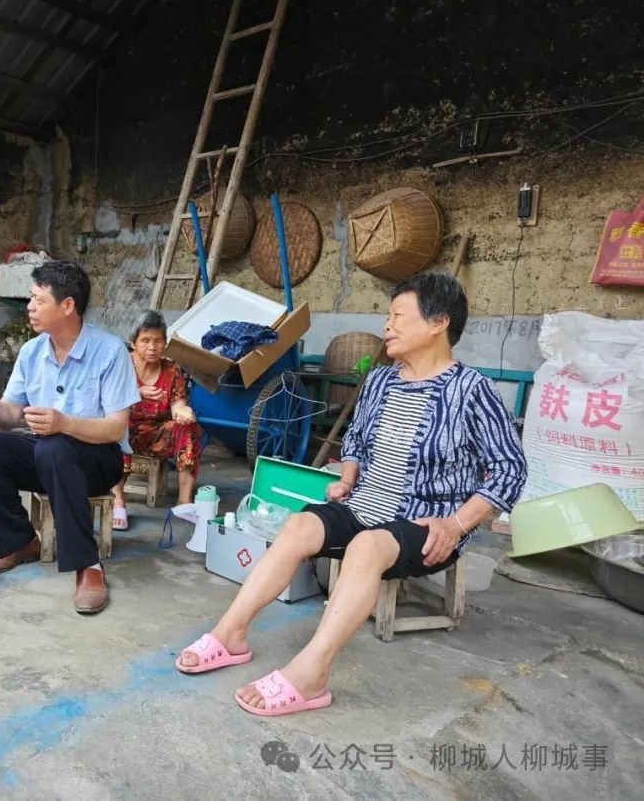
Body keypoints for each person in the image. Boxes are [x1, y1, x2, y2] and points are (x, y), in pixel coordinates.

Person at [175, 270, 527, 716]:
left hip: (426, 522)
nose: (388, 326)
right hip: (365, 505)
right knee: (301, 524)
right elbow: (357, 439)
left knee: (365, 546)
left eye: (399, 315)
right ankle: (231, 634)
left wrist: (456, 524)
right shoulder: (381, 381)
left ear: (439, 323)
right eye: (388, 316)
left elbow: (511, 470)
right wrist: (347, 476)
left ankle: (312, 673)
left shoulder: (472, 391)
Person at [0, 260, 140, 614]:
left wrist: (64, 424)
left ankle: (88, 567)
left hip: (99, 459)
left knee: (55, 446)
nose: (29, 307)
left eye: (38, 300)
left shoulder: (110, 350)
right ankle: (19, 542)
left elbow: (117, 427)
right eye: (31, 299)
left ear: (67, 305)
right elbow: (8, 419)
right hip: (47, 453)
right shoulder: (31, 352)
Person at [110, 310, 202, 530]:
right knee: (116, 430)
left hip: (156, 433)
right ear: (133, 343)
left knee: (190, 429)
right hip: (125, 429)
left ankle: (184, 502)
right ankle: (118, 501)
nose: (152, 347)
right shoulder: (120, 365)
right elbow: (108, 401)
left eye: (159, 341)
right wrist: (138, 392)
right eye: (145, 340)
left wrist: (183, 413)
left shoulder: (172, 370)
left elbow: (177, 404)